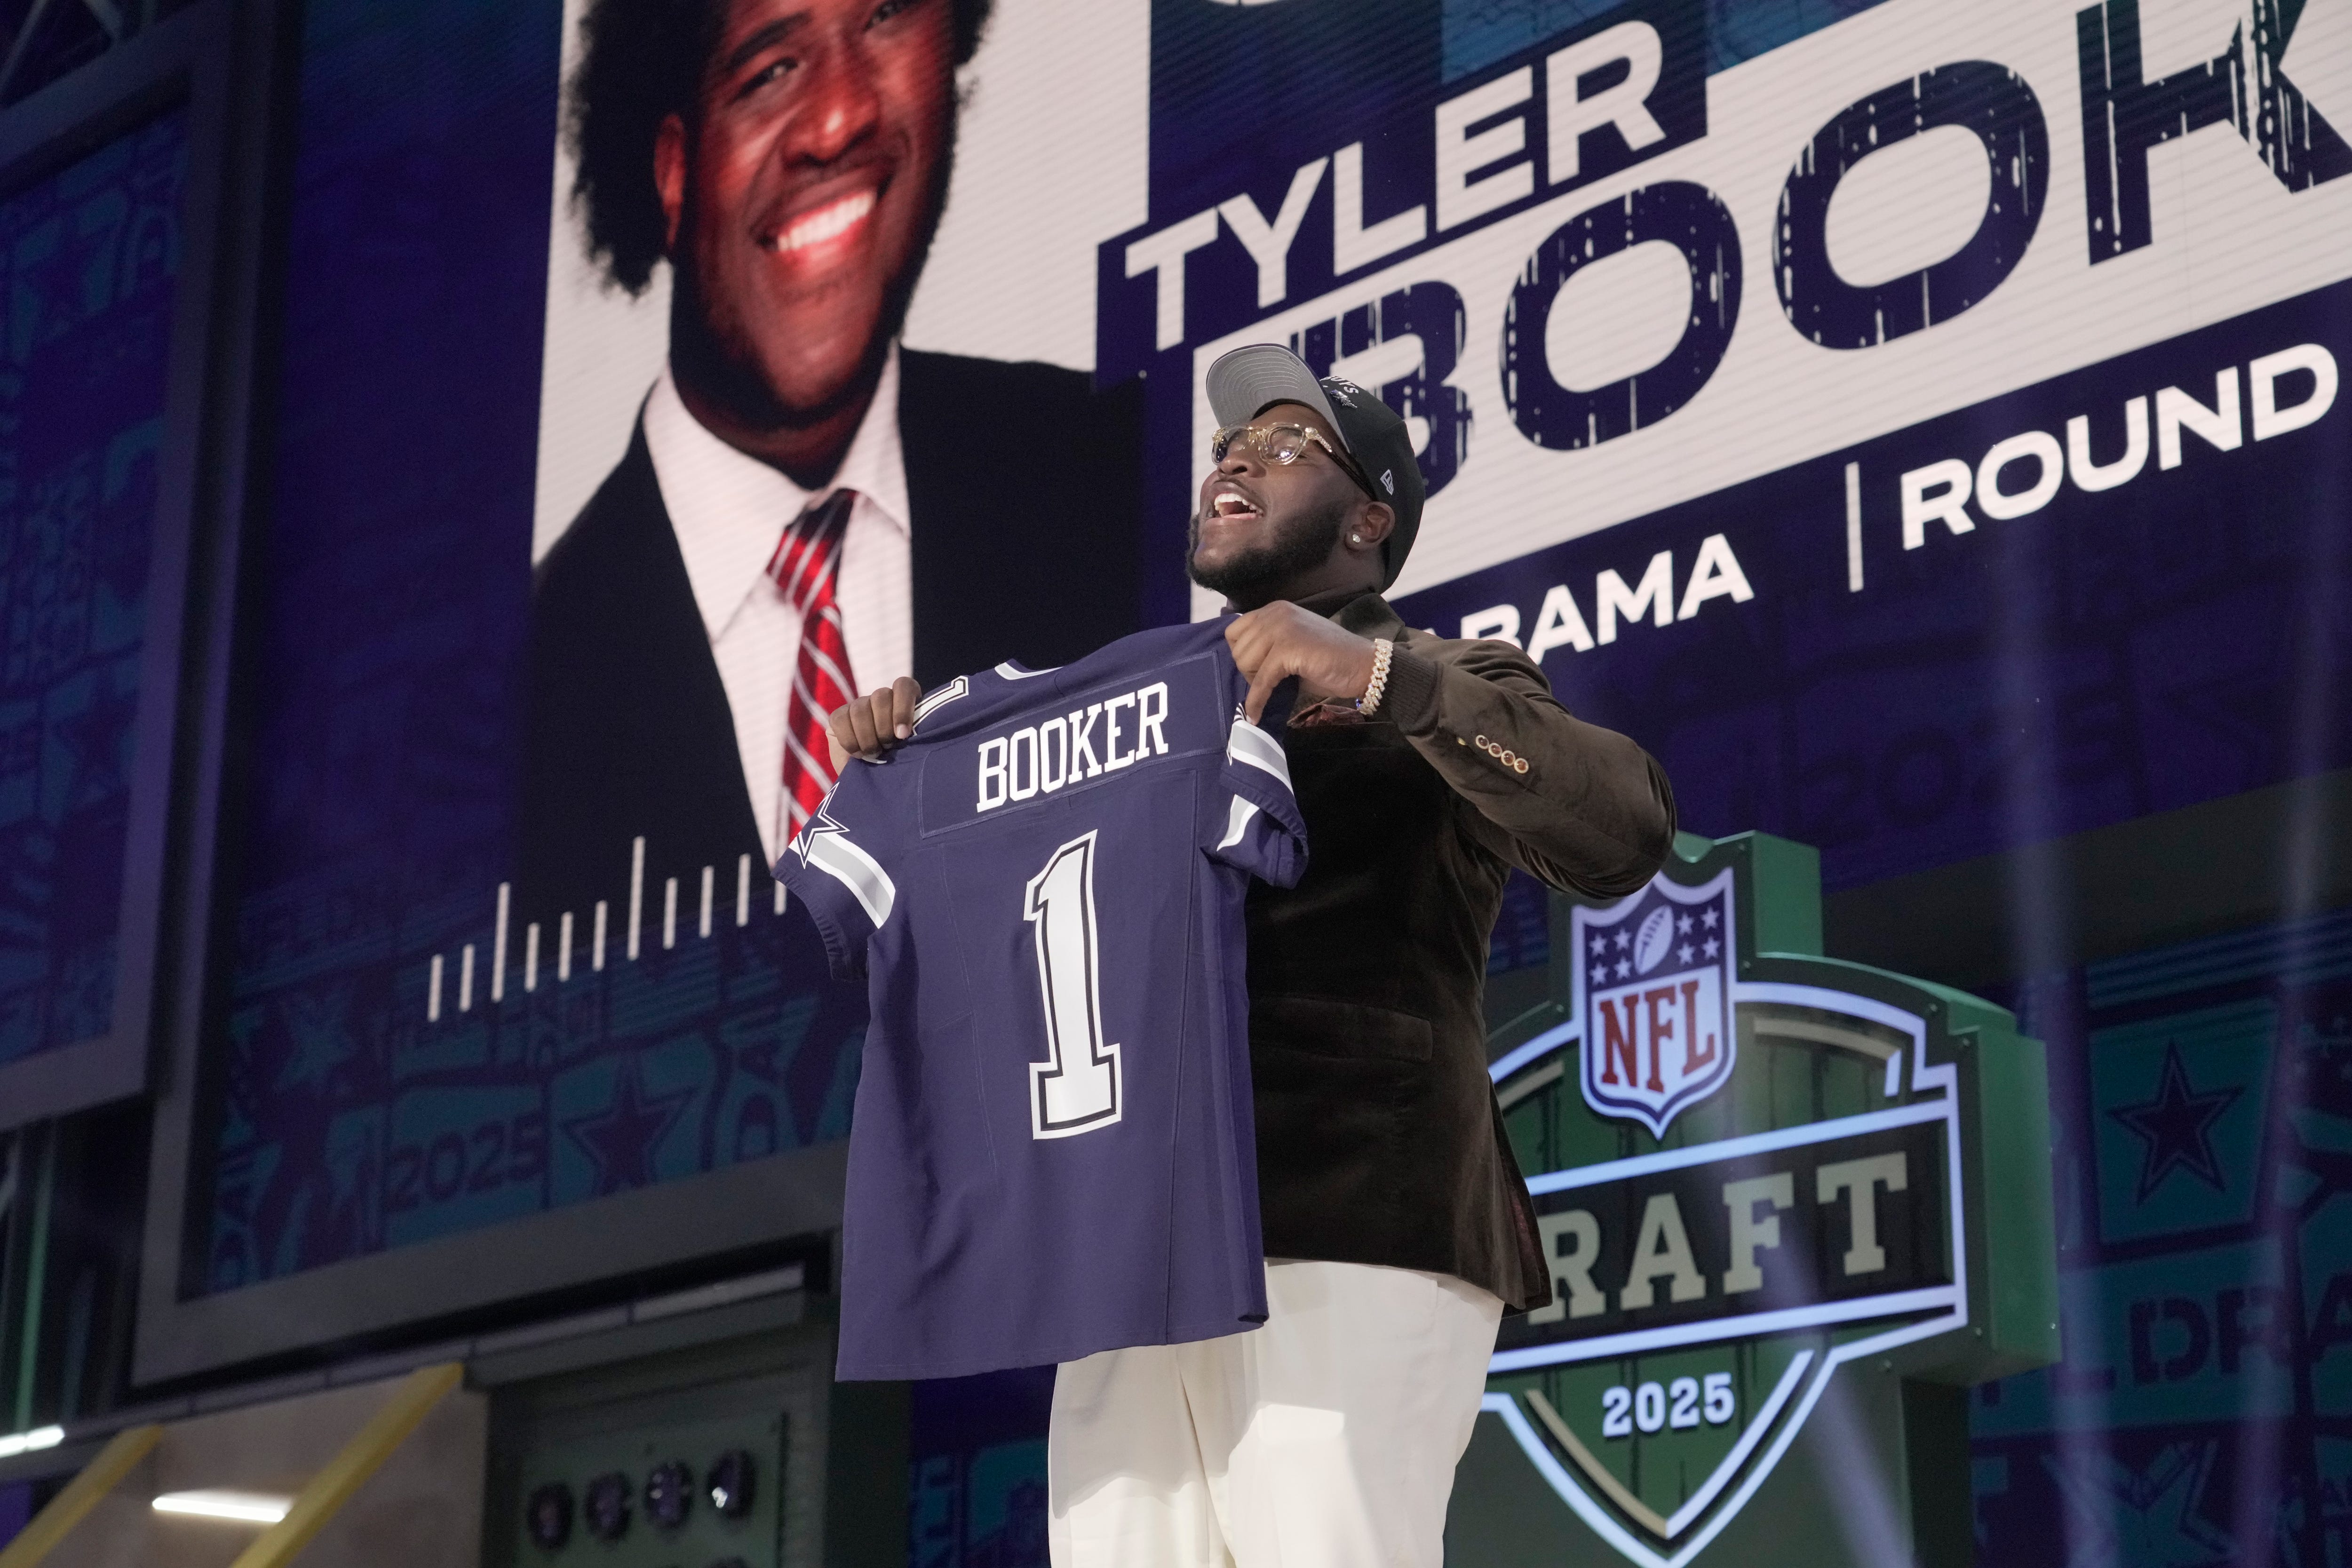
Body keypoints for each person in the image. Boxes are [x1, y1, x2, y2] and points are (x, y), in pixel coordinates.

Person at [829, 342, 1677, 1567]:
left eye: (1285, 445)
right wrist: (922, 764)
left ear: (1369, 519)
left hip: (1350, 1213)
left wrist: (1379, 677)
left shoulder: (1444, 676)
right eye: (1228, 444)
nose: (1235, 460)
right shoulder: (1127, 714)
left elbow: (1625, 827)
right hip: (1131, 1243)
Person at [519, 0, 1142, 931]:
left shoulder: (1124, 472)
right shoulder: (514, 702)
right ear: (672, 168)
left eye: (885, 16)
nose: (841, 117)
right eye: (769, 70)